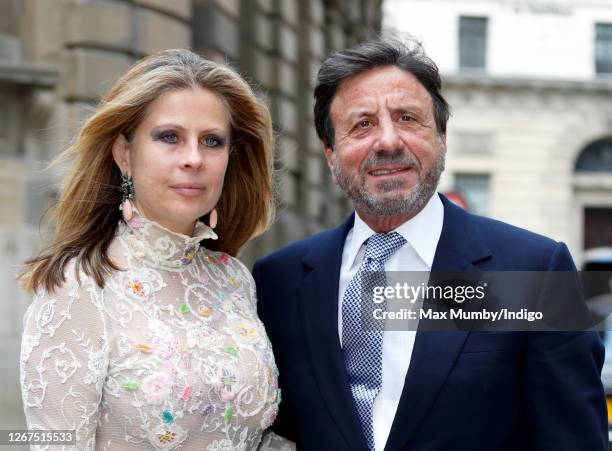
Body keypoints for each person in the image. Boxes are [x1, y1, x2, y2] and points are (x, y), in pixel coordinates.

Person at [253, 37, 608, 450]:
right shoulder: (281, 280)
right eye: (362, 124)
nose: (387, 141)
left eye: (407, 118)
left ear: (441, 136)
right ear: (331, 153)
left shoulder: (530, 271)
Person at [19, 49, 293, 450]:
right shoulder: (77, 285)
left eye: (212, 141)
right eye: (169, 137)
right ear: (124, 153)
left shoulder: (234, 280)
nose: (193, 159)